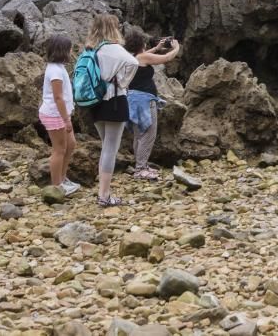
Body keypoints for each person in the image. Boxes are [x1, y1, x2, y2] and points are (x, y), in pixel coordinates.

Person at [83, 14, 138, 207]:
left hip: (95, 101)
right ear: (113, 28)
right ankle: (104, 195)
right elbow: (134, 62)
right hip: (114, 100)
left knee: (105, 145)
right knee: (110, 148)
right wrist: (123, 81)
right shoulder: (114, 48)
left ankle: (104, 192)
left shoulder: (91, 48)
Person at [124, 31, 180, 180]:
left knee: (139, 134)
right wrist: (176, 48)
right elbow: (166, 58)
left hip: (133, 99)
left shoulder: (132, 58)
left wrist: (156, 48)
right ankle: (141, 168)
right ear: (141, 44)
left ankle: (140, 165)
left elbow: (145, 56)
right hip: (144, 100)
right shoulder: (143, 57)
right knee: (148, 134)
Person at [38, 34, 80, 196]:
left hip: (60, 114)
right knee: (59, 150)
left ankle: (62, 178)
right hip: (55, 115)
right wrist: (66, 119)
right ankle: (57, 185)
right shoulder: (55, 70)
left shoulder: (58, 67)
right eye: (70, 49)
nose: (71, 51)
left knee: (71, 144)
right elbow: (58, 97)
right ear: (63, 51)